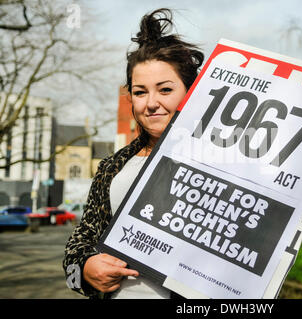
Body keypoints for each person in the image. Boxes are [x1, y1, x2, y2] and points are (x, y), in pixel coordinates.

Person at [63, 8, 204, 299]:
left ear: (190, 92)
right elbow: (78, 246)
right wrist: (85, 269)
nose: (151, 103)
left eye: (165, 90)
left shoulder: (222, 163)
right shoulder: (113, 167)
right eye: (140, 92)